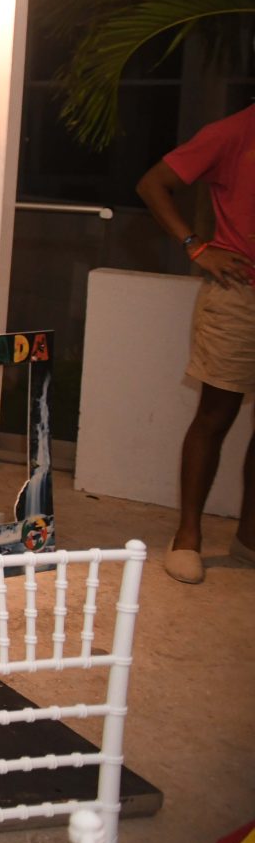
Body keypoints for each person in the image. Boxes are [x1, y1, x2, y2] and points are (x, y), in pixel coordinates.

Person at [135, 101, 255, 584]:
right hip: (240, 295)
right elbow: (152, 184)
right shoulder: (234, 131)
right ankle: (187, 536)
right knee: (215, 415)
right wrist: (197, 246)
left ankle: (249, 539)